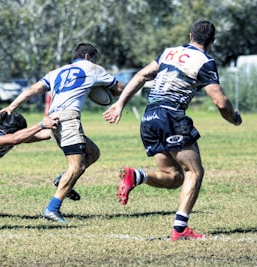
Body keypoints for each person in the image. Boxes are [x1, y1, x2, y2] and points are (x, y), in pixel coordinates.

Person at [102, 20, 242, 241]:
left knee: (174, 177)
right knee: (194, 172)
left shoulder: (169, 52)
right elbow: (221, 102)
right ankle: (180, 230)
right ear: (212, 41)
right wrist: (234, 119)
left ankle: (137, 176)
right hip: (171, 116)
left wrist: (119, 104)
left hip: (149, 117)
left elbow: (140, 75)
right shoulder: (205, 61)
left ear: (190, 36)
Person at [0, 43, 124, 223]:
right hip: (68, 119)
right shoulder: (93, 68)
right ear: (88, 56)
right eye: (95, 58)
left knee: (93, 152)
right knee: (77, 167)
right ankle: (52, 208)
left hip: (53, 119)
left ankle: (62, 179)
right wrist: (104, 90)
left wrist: (12, 106)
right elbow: (120, 88)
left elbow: (33, 90)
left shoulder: (57, 72)